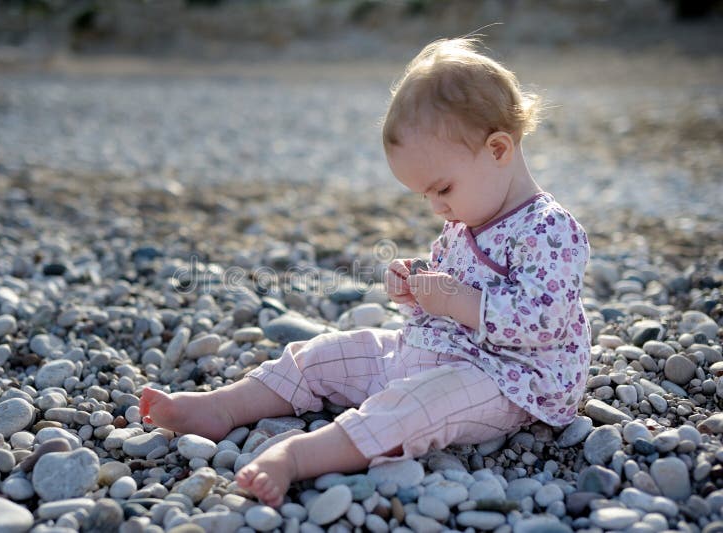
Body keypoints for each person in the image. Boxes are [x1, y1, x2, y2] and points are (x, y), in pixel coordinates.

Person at [139, 37, 591, 508]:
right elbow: (453, 279)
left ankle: (297, 456)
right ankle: (223, 405)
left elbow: (544, 321)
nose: (438, 207)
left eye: (443, 188)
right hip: (435, 347)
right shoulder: (469, 214)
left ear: (498, 149)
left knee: (413, 408)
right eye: (426, 196)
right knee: (326, 352)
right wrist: (416, 283)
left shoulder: (550, 229)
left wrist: (456, 300)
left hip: (508, 379)